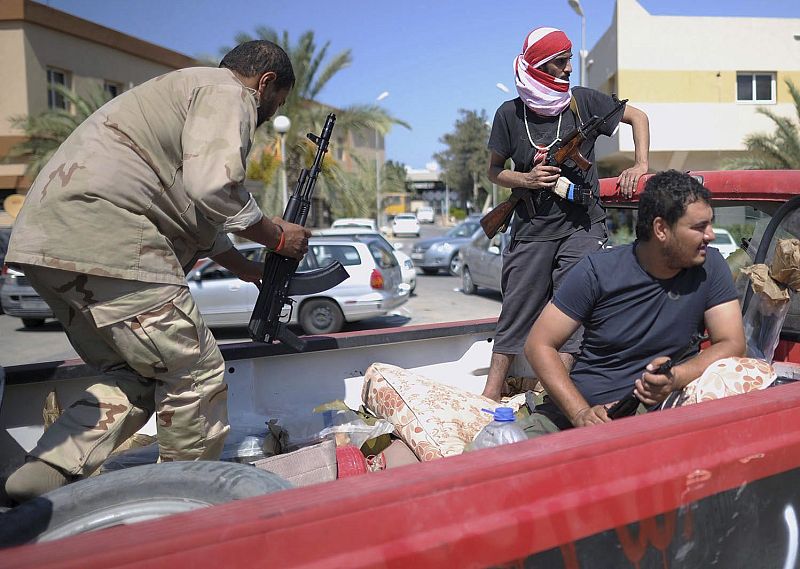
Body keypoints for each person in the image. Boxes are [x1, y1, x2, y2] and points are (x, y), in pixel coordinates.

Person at [4, 40, 311, 502]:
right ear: (265, 83)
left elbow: (197, 218)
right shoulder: (229, 92)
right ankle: (181, 508)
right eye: (277, 102)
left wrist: (249, 269)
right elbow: (215, 188)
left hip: (50, 243)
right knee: (196, 375)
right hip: (108, 235)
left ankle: (36, 481)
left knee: (137, 374)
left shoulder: (183, 95)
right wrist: (277, 235)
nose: (270, 112)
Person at [481, 26, 650, 401]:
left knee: (575, 308)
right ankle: (490, 394)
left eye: (569, 59)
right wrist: (526, 178)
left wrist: (640, 164)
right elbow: (493, 171)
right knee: (516, 309)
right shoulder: (510, 114)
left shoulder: (582, 103)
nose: (569, 68)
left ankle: (550, 395)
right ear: (540, 66)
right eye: (561, 61)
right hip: (531, 225)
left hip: (582, 225)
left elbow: (638, 117)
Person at [523, 170, 746, 433]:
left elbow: (733, 343)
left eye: (710, 223)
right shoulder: (597, 271)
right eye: (699, 227)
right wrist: (580, 413)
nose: (710, 235)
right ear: (661, 229)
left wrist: (676, 378)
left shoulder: (711, 266)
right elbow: (539, 344)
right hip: (580, 415)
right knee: (493, 455)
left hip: (657, 415)